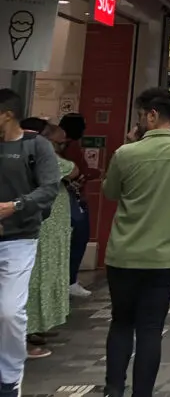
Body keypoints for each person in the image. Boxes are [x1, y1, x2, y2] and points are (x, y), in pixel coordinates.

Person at [102, 88, 170, 397]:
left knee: (121, 323)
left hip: (122, 255)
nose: (139, 121)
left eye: (140, 115)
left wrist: (128, 146)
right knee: (151, 329)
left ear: (151, 115)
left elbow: (110, 192)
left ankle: (113, 389)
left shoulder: (126, 153)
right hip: (166, 259)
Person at [0, 94, 59, 397]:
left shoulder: (37, 146)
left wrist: (16, 205)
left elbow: (50, 188)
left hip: (19, 238)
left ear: (7, 115)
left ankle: (9, 378)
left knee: (9, 310)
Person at [23, 122, 74, 359]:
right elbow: (72, 170)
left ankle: (37, 326)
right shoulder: (40, 154)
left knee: (45, 276)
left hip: (50, 230)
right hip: (39, 229)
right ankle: (25, 334)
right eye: (59, 142)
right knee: (34, 278)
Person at [57, 113, 93, 299]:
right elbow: (78, 171)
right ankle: (70, 280)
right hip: (74, 199)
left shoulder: (63, 147)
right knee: (79, 238)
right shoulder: (72, 147)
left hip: (68, 198)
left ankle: (68, 280)